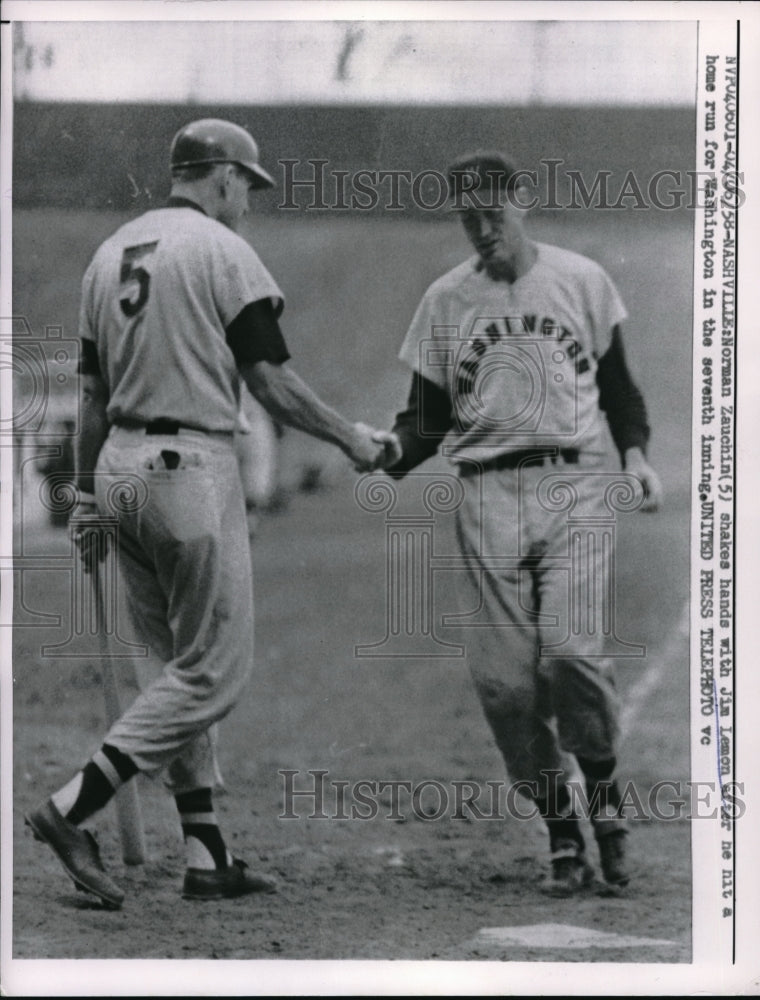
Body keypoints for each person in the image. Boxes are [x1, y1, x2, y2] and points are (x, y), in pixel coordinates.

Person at [25, 119, 384, 909]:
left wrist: (83, 497)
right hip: (190, 469)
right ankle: (70, 808)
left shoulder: (109, 251)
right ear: (220, 177)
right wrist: (352, 437)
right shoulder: (222, 252)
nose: (247, 204)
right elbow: (270, 383)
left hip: (119, 468)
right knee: (211, 673)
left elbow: (87, 398)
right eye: (246, 188)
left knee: (178, 667)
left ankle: (206, 853)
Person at [381, 151, 662, 896]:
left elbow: (620, 391)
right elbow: (425, 424)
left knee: (571, 656)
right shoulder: (445, 301)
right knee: (505, 689)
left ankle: (603, 804)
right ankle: (560, 828)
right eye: (466, 218)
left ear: (521, 202)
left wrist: (634, 458)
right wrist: (386, 451)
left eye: (491, 214)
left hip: (572, 484)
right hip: (483, 496)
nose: (480, 230)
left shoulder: (580, 280)